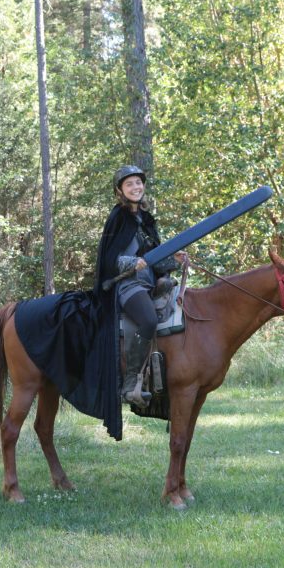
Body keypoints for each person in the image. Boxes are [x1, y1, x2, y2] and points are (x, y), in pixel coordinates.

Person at [94, 165, 185, 407]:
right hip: (127, 285)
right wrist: (133, 263)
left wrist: (173, 260)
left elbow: (154, 259)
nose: (136, 187)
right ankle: (130, 382)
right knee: (148, 320)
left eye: (138, 183)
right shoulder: (118, 218)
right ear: (120, 191)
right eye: (129, 184)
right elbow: (109, 260)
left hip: (150, 283)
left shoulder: (146, 219)